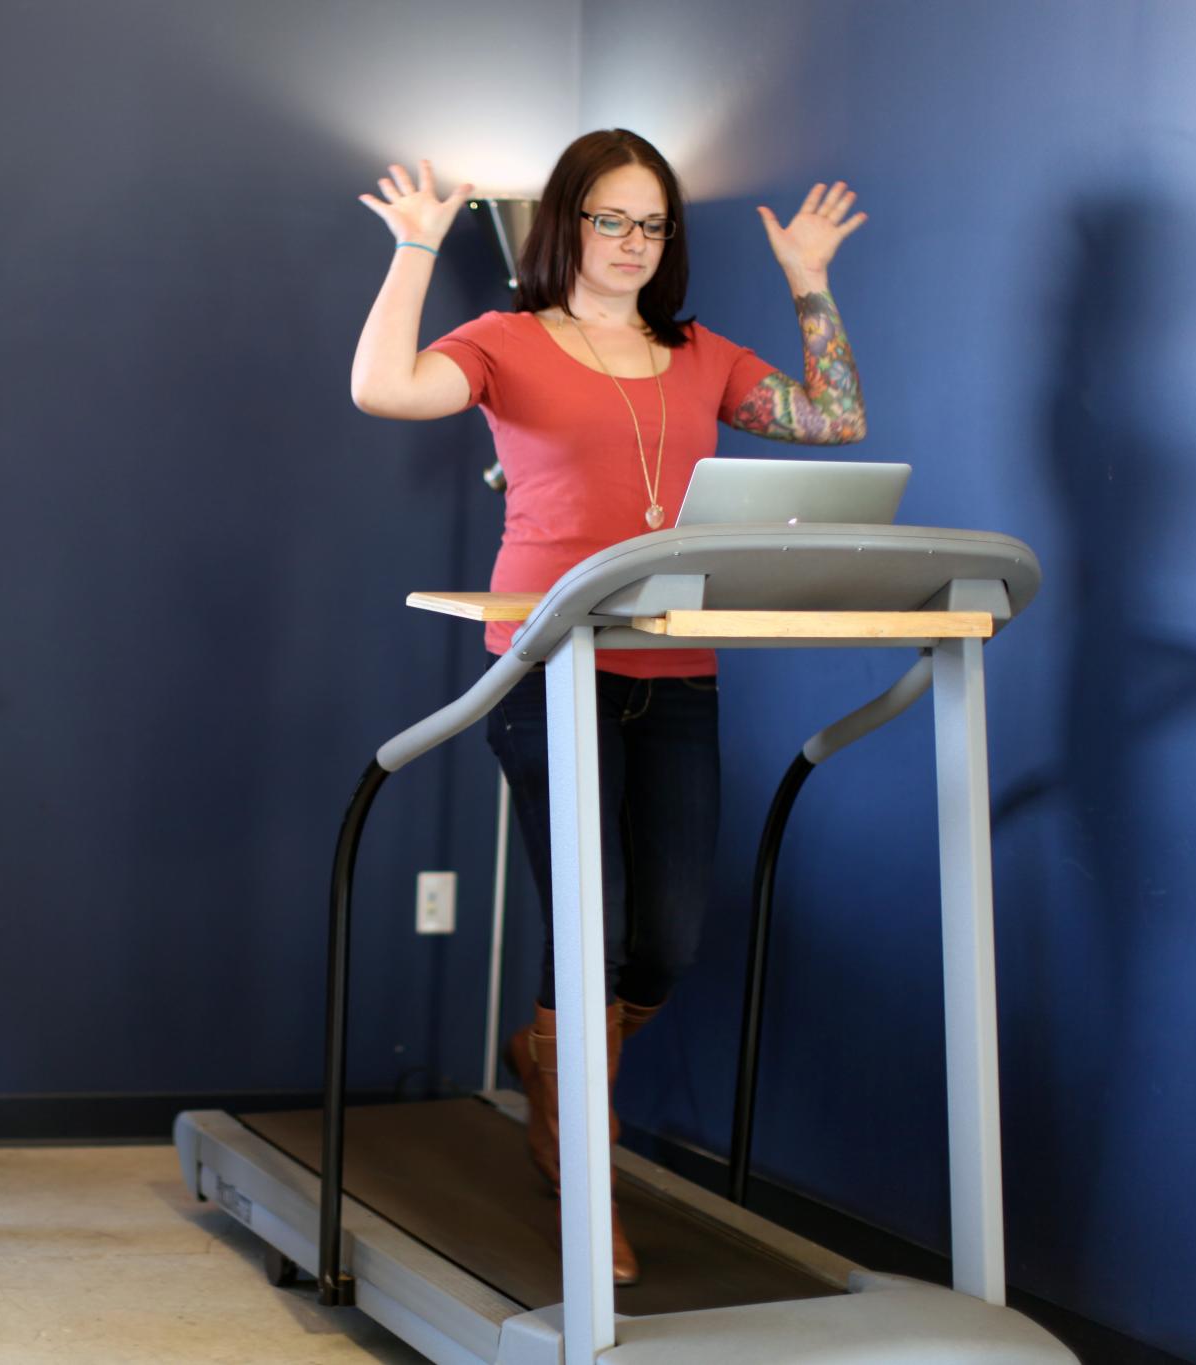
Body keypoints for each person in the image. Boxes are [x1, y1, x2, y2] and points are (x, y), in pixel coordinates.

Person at [350, 129, 868, 1284]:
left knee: (665, 945)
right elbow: (384, 389)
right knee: (595, 925)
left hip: (673, 678)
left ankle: (545, 1052)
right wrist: (415, 251)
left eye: (652, 225)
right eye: (610, 220)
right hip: (546, 671)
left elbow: (832, 423)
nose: (632, 244)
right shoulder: (504, 342)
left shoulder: (699, 354)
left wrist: (809, 285)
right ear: (566, 225)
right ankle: (585, 1176)